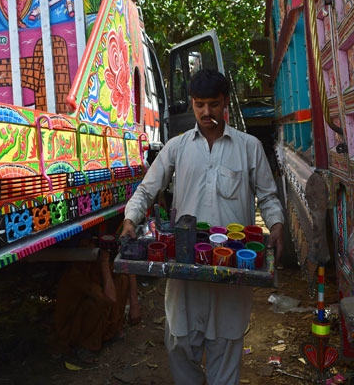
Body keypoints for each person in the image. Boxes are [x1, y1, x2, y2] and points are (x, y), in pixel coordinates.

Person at [120, 69, 284, 384]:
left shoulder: (248, 147)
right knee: (180, 342)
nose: (206, 112)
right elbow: (146, 190)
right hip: (185, 265)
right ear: (192, 105)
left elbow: (269, 197)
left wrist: (276, 225)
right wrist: (131, 219)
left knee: (227, 342)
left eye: (213, 104)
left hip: (233, 265)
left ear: (225, 103)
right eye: (199, 104)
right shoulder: (177, 147)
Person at [54, 238, 141, 363]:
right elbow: (110, 298)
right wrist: (104, 264)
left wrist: (134, 304)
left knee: (122, 279)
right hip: (72, 327)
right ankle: (85, 346)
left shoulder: (93, 265)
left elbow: (127, 268)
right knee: (95, 303)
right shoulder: (76, 274)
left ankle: (111, 331)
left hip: (95, 314)